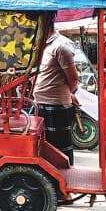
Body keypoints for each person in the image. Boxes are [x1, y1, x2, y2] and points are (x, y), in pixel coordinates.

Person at [34, 29, 79, 165]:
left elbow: (73, 79)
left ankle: (64, 180)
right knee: (44, 149)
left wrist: (67, 93)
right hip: (39, 103)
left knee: (59, 150)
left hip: (56, 106)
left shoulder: (61, 46)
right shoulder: (41, 45)